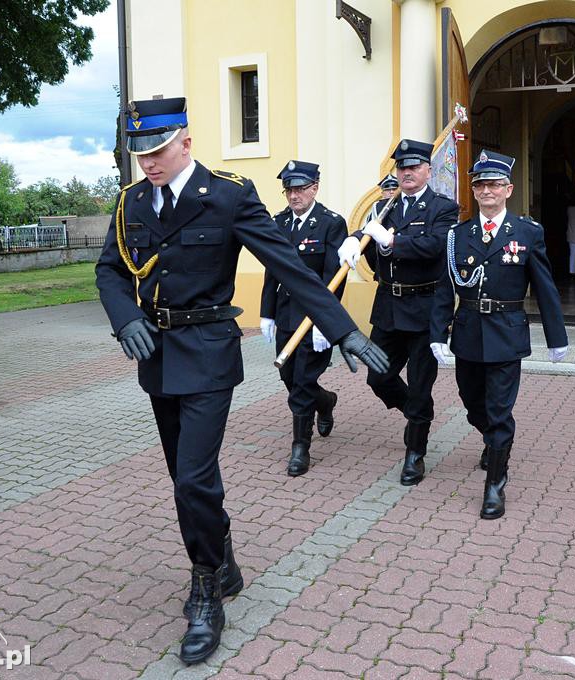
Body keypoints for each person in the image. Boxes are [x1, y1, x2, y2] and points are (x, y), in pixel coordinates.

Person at [95, 97, 388, 665]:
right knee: (187, 477)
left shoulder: (228, 195)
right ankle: (223, 556)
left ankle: (206, 584)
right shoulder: (131, 201)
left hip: (207, 354)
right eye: (140, 154)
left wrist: (344, 330)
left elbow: (289, 268)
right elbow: (110, 268)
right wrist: (125, 317)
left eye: (157, 150)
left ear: (186, 140)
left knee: (191, 480)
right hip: (157, 353)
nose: (148, 163)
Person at [429, 150, 568, 519]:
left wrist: (557, 337)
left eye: (494, 184)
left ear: (508, 189)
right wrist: (437, 334)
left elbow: (545, 286)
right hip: (469, 332)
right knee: (473, 402)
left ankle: (495, 484)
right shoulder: (458, 236)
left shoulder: (527, 232)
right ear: (473, 191)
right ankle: (492, 441)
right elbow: (445, 289)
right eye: (480, 185)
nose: (487, 190)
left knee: (499, 410)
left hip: (507, 333)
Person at [337, 139, 459, 486]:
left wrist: (392, 242)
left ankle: (415, 452)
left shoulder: (443, 208)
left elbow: (435, 245)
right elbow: (370, 240)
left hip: (424, 309)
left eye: (414, 167)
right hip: (389, 308)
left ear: (427, 171)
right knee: (378, 376)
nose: (407, 172)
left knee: (421, 385)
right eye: (402, 168)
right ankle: (416, 415)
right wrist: (356, 239)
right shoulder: (386, 208)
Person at [259, 160, 347, 476]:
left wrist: (327, 320)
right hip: (285, 313)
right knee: (288, 377)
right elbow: (272, 270)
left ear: (314, 188)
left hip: (313, 318)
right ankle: (325, 402)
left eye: (299, 189)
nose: (293, 196)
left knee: (303, 380)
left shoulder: (330, 223)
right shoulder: (278, 223)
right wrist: (266, 312)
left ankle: (300, 448)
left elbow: (334, 276)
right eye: (289, 190)